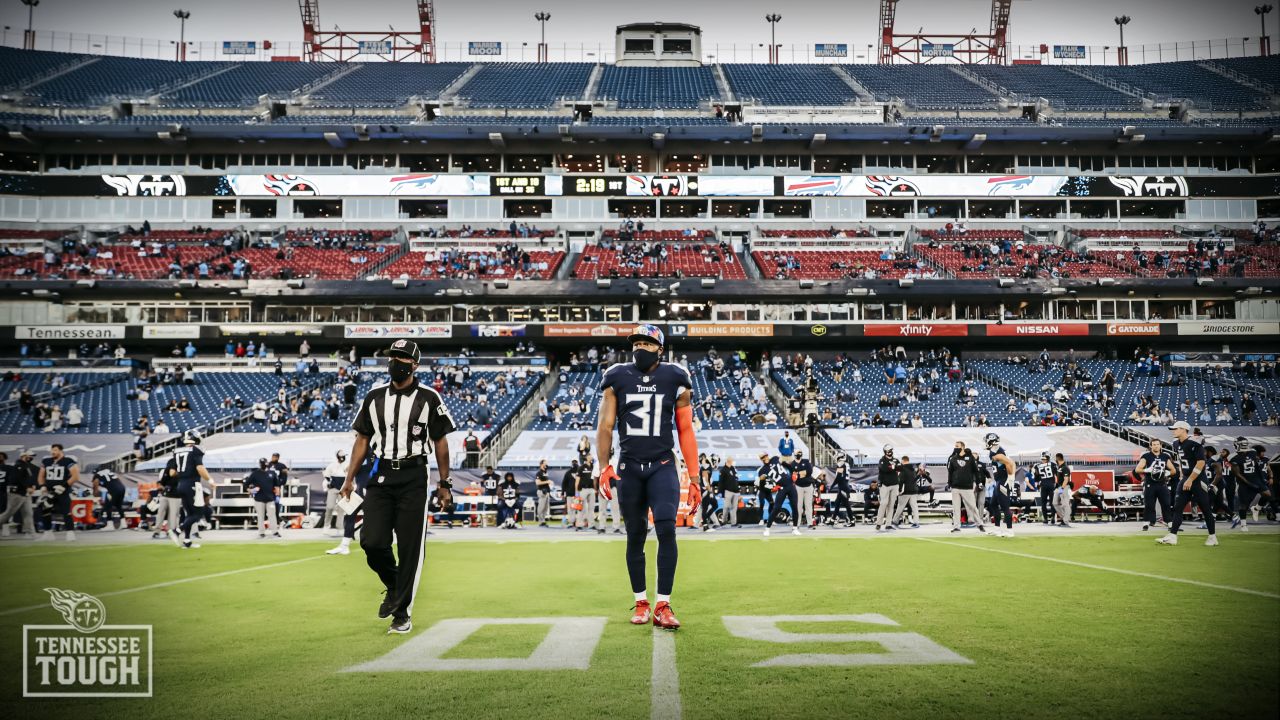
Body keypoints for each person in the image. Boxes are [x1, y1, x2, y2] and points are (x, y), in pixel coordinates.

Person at [341, 339, 456, 635]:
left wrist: (444, 484)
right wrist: (349, 478)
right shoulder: (375, 396)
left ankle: (402, 613)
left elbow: (440, 441)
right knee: (371, 540)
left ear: (414, 365)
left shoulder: (429, 398)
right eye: (394, 355)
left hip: (414, 475)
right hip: (381, 475)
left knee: (410, 548)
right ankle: (394, 586)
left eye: (403, 357)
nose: (397, 360)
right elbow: (362, 438)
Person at [596, 324, 699, 630]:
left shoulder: (676, 377)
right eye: (637, 342)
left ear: (661, 349)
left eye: (648, 343)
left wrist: (694, 478)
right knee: (636, 535)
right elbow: (605, 425)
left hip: (663, 464)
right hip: (629, 465)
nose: (641, 347)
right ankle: (641, 601)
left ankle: (663, 604)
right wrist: (604, 466)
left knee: (667, 529)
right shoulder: (617, 375)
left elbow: (685, 429)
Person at [1158, 421, 1217, 547]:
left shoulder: (1195, 443)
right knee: (1178, 507)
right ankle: (1173, 536)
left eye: (1175, 429)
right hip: (1185, 478)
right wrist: (1182, 475)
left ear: (1184, 429)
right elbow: (1180, 460)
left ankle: (1212, 536)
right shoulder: (1175, 443)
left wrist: (1190, 479)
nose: (1173, 431)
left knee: (1205, 509)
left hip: (1198, 479)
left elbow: (1201, 463)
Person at [165, 431, 213, 549]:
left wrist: (184, 473)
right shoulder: (195, 450)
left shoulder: (177, 451)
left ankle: (187, 541)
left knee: (189, 514)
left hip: (181, 484)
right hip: (192, 484)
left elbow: (172, 473)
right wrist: (211, 480)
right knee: (198, 513)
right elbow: (200, 468)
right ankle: (177, 531)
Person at [36, 444, 79, 541]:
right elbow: (41, 476)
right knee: (45, 510)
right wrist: (42, 486)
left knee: (66, 511)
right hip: (50, 491)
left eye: (55, 450)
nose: (52, 452)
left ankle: (70, 532)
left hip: (62, 491)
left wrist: (64, 486)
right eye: (52, 450)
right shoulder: (46, 461)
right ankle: (48, 532)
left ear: (61, 451)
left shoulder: (68, 461)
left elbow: (75, 476)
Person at [1230, 437, 1270, 533]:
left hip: (1257, 479)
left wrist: (1261, 479)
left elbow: (1256, 465)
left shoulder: (1252, 452)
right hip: (1244, 483)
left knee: (1267, 494)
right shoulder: (1233, 457)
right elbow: (1237, 474)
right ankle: (1243, 525)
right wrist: (1249, 483)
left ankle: (1256, 508)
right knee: (1244, 505)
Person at [1135, 439, 1174, 532]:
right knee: (1149, 505)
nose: (1156, 446)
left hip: (1162, 484)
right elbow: (1137, 469)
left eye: (1157, 444)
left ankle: (1170, 523)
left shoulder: (1165, 456)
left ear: (1161, 446)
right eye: (1154, 444)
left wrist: (1168, 473)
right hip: (1150, 484)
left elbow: (1174, 470)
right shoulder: (1146, 456)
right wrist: (1146, 470)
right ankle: (1146, 523)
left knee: (1166, 504)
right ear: (1151, 446)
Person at [947, 441, 986, 533]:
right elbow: (950, 472)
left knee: (972, 506)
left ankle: (979, 524)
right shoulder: (953, 458)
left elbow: (976, 471)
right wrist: (949, 483)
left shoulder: (970, 458)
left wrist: (978, 482)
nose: (955, 447)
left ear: (963, 447)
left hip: (967, 487)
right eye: (955, 446)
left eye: (957, 446)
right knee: (956, 508)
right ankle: (957, 526)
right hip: (955, 487)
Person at [986, 433, 1017, 537]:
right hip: (999, 481)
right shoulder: (996, 450)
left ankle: (1009, 530)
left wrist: (1011, 477)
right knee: (993, 504)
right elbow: (1013, 463)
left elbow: (1009, 463)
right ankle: (997, 528)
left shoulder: (998, 453)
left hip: (1003, 481)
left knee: (1005, 506)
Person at [0, 451, 36, 537]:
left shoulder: (26, 465)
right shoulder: (18, 465)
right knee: (8, 513)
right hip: (17, 493)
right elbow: (18, 479)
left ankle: (29, 533)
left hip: (24, 493)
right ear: (24, 456)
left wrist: (32, 486)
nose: (31, 458)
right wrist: (27, 487)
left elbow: (28, 478)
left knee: (28, 513)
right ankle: (30, 532)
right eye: (29, 456)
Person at [244, 458, 282, 539]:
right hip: (259, 499)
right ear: (260, 464)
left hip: (270, 499)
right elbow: (246, 484)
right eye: (262, 463)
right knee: (260, 516)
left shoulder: (272, 473)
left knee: (272, 516)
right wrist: (251, 490)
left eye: (264, 463)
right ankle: (261, 532)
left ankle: (275, 532)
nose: (264, 465)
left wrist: (278, 496)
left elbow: (277, 485)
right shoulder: (255, 473)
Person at [874, 444, 901, 532]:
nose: (890, 452)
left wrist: (892, 467)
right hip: (885, 485)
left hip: (895, 484)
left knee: (891, 505)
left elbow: (900, 468)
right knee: (883, 503)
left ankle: (888, 524)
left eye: (891, 450)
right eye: (888, 451)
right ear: (885, 452)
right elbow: (885, 469)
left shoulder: (896, 459)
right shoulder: (882, 460)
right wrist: (893, 467)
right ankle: (879, 523)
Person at [92, 466, 127, 531]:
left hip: (114, 490)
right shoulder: (109, 471)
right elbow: (118, 479)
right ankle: (123, 523)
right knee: (118, 505)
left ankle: (110, 524)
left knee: (107, 505)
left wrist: (95, 493)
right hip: (122, 488)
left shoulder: (97, 475)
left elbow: (95, 485)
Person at [322, 450, 348, 534]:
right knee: (330, 507)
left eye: (343, 456)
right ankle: (326, 526)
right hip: (333, 488)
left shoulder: (348, 464)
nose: (342, 458)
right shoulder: (331, 465)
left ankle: (340, 527)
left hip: (343, 489)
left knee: (341, 509)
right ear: (337, 457)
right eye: (340, 457)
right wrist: (328, 484)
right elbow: (326, 476)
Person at [892, 455, 920, 529]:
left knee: (900, 507)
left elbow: (901, 480)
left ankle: (895, 521)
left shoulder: (903, 469)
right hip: (914, 490)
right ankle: (916, 522)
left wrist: (900, 490)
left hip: (905, 491)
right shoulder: (913, 469)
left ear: (903, 461)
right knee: (914, 507)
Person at [827, 454, 855, 527]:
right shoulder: (846, 464)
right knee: (837, 503)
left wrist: (832, 486)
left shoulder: (840, 464)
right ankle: (833, 520)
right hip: (844, 486)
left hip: (843, 487)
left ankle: (852, 521)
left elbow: (838, 477)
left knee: (846, 505)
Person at [792, 449, 816, 528]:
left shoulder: (806, 461)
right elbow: (793, 475)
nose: (799, 454)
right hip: (798, 487)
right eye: (798, 453)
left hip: (808, 486)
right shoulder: (792, 464)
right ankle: (797, 523)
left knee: (808, 505)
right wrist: (802, 473)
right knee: (798, 506)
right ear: (795, 454)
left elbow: (810, 471)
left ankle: (810, 523)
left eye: (800, 453)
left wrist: (798, 473)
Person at [577, 458, 602, 534]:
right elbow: (577, 479)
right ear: (586, 458)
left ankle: (591, 525)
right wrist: (576, 492)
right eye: (590, 456)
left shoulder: (593, 467)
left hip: (591, 489)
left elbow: (596, 478)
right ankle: (579, 525)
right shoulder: (581, 467)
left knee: (591, 508)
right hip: (583, 489)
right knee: (581, 508)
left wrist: (596, 489)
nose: (591, 458)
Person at [718, 456, 741, 527]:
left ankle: (733, 523)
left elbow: (736, 480)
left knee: (734, 508)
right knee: (726, 507)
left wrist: (738, 491)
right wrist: (720, 492)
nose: (733, 462)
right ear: (729, 461)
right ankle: (724, 521)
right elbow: (721, 482)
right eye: (732, 460)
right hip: (728, 491)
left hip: (736, 491)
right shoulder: (723, 470)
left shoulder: (733, 469)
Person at [562, 460, 581, 529]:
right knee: (570, 509)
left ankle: (578, 522)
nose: (575, 465)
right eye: (574, 463)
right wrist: (562, 493)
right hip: (569, 494)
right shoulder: (568, 473)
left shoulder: (580, 472)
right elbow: (564, 483)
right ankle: (571, 522)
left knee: (578, 509)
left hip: (578, 494)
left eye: (575, 463)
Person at [534, 459, 552, 527]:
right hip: (541, 491)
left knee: (545, 508)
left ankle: (543, 520)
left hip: (546, 491)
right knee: (541, 507)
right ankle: (541, 521)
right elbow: (537, 483)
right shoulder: (539, 473)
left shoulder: (545, 472)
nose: (546, 465)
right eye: (545, 463)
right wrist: (547, 482)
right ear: (541, 464)